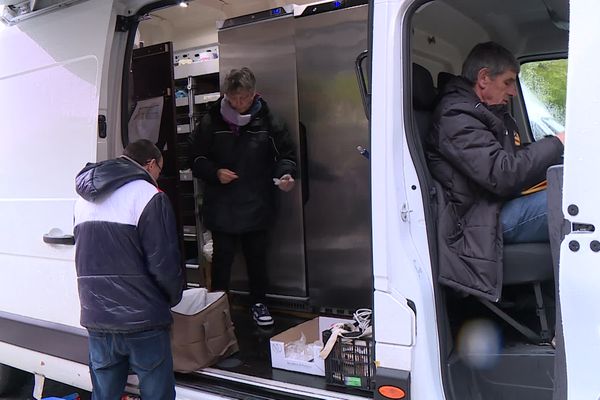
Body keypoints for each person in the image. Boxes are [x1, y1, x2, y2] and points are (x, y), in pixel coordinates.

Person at [426, 42, 565, 301]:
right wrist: (556, 143)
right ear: (483, 78)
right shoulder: (455, 116)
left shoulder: (484, 113)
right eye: (508, 82)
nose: (513, 91)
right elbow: (502, 174)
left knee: (571, 183)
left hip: (494, 206)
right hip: (478, 219)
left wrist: (554, 152)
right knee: (572, 199)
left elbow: (507, 160)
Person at [73, 139, 184, 400]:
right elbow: (163, 262)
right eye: (159, 170)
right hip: (143, 320)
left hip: (97, 317)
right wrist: (174, 297)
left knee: (104, 395)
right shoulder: (148, 195)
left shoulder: (83, 200)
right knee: (157, 393)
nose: (158, 177)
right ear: (150, 164)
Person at [188, 67, 297, 327]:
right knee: (222, 261)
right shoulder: (211, 120)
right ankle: (218, 310)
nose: (240, 104)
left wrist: (286, 176)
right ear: (226, 95)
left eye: (245, 98)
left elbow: (286, 155)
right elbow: (195, 158)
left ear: (253, 94)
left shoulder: (268, 119)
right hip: (221, 204)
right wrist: (215, 172)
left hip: (257, 201)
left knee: (257, 258)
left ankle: (259, 303)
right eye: (234, 99)